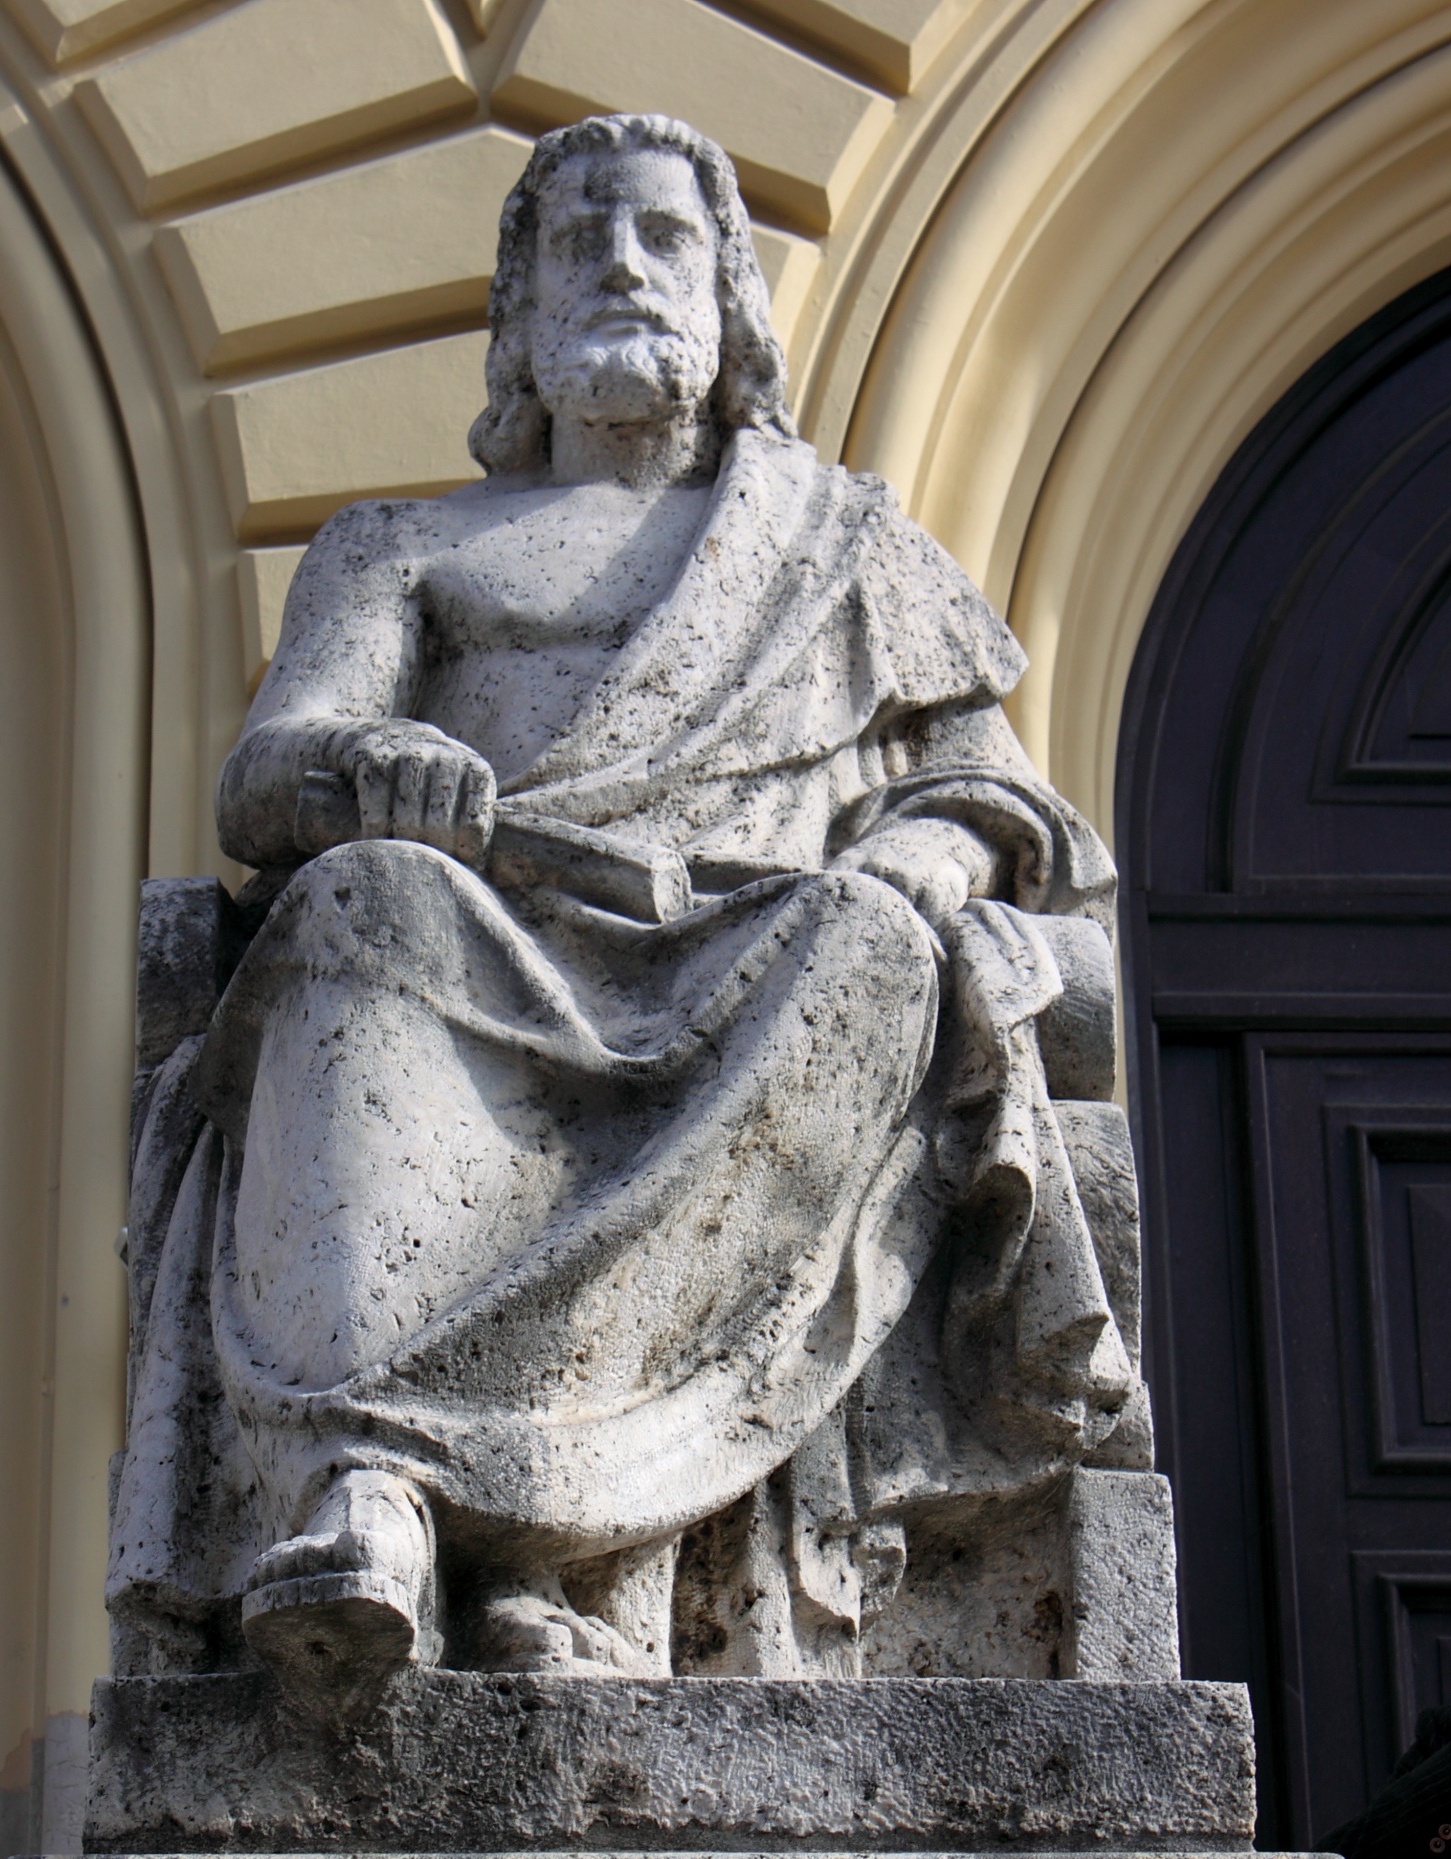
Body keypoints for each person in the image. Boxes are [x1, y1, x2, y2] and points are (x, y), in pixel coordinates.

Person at [109, 113, 1140, 1697]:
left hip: (757, 958)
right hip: (493, 945)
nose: (619, 267)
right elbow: (271, 776)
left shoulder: (846, 549)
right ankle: (383, 1490)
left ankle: (492, 1528)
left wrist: (930, 857)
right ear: (516, 320)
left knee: (873, 952)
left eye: (661, 235)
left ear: (731, 297)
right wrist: (368, 765)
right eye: (577, 241)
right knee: (361, 907)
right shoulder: (399, 548)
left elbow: (995, 797)